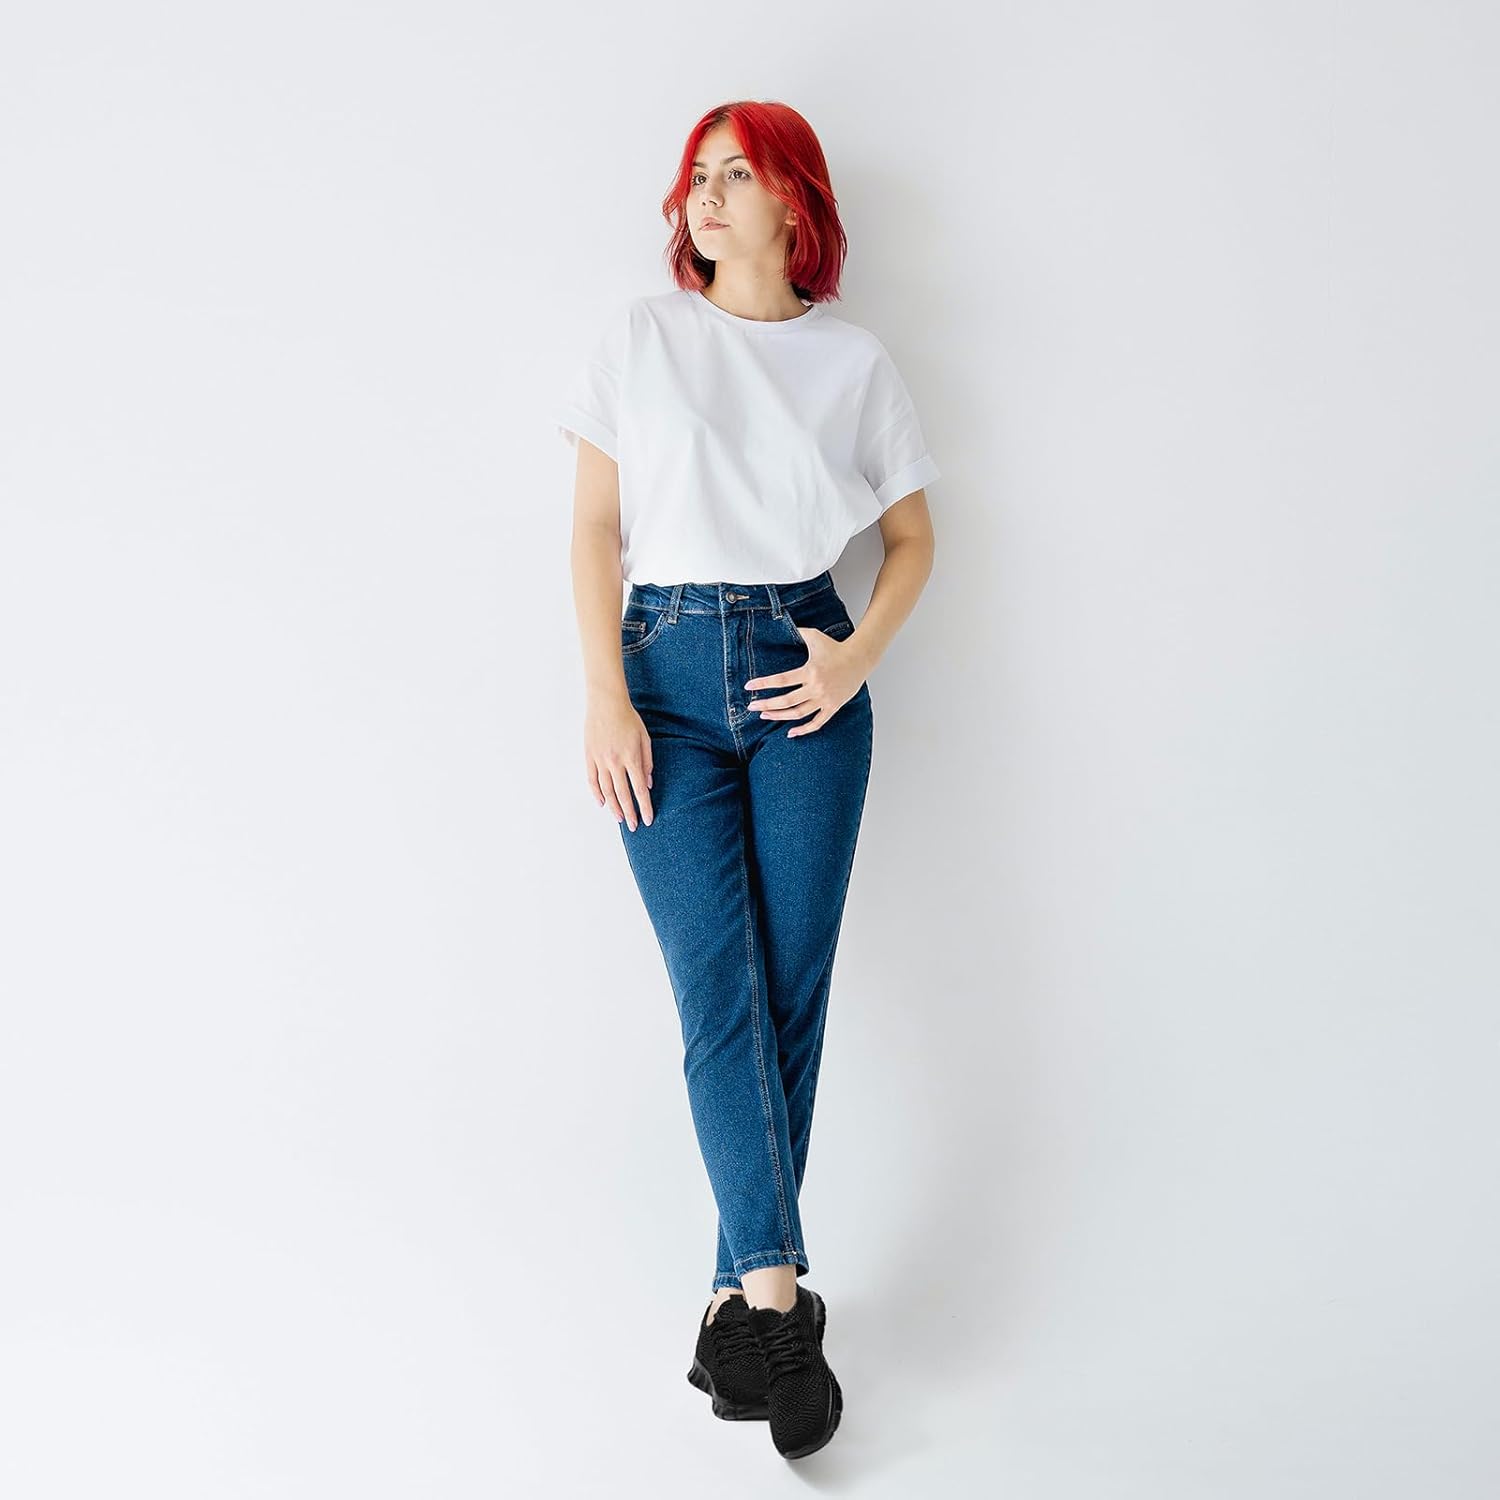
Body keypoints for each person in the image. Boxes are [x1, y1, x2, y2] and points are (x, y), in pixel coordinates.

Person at [554, 98, 939, 1461]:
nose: (704, 197)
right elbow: (595, 530)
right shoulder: (643, 338)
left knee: (788, 990)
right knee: (717, 988)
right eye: (695, 177)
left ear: (794, 202)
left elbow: (913, 538)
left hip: (804, 677)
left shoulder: (853, 362)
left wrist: (854, 660)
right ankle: (778, 1310)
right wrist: (605, 694)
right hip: (661, 677)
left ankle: (740, 1304)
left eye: (735, 174)